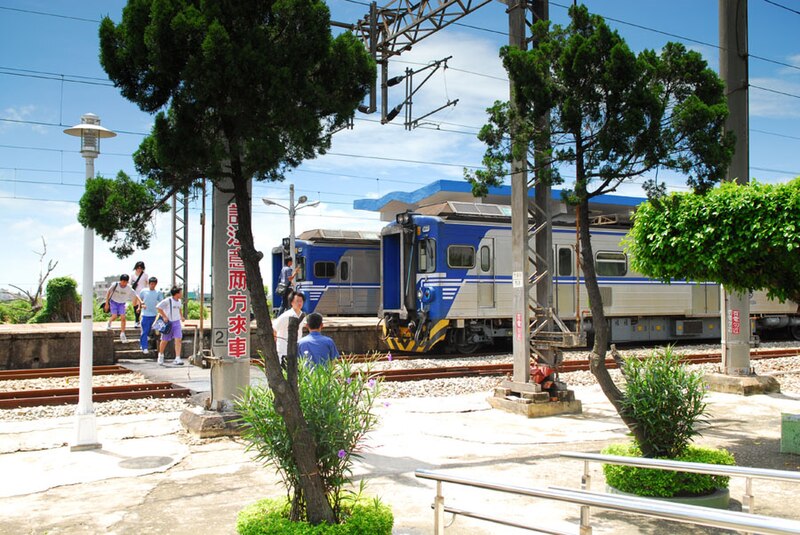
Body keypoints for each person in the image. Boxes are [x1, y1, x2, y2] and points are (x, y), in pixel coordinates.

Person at [104, 274, 142, 343]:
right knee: (114, 316)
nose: (124, 283)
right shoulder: (115, 285)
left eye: (126, 282)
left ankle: (122, 333)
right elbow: (108, 292)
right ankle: (109, 322)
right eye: (123, 282)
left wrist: (141, 302)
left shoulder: (129, 288)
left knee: (123, 318)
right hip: (114, 302)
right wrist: (107, 303)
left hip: (122, 303)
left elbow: (136, 295)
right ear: (120, 281)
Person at [273, 290, 307, 366]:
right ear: (291, 303)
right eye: (297, 301)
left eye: (301, 301)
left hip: (296, 349)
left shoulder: (302, 315)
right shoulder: (286, 316)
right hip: (284, 350)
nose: (299, 303)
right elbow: (274, 328)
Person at [156, 286, 185, 366]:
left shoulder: (179, 301)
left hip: (176, 322)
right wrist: (164, 316)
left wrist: (181, 316)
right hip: (168, 323)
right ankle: (161, 354)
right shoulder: (167, 300)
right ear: (177, 293)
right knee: (164, 340)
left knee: (178, 339)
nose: (182, 294)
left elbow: (179, 309)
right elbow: (158, 307)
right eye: (180, 292)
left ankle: (177, 357)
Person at [138, 277, 162, 355]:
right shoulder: (143, 291)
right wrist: (139, 307)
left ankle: (159, 350)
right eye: (151, 284)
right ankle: (144, 347)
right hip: (145, 314)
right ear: (149, 283)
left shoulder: (158, 292)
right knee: (145, 331)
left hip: (155, 315)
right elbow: (140, 300)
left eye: (154, 284)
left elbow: (161, 302)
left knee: (157, 332)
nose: (152, 285)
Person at [130, 261, 149, 328]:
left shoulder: (145, 275)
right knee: (135, 306)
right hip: (135, 292)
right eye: (138, 267)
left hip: (142, 292)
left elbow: (147, 283)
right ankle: (137, 320)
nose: (139, 269)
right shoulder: (132, 274)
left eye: (141, 268)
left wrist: (147, 291)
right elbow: (130, 283)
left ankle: (137, 320)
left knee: (140, 306)